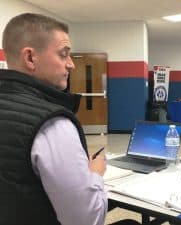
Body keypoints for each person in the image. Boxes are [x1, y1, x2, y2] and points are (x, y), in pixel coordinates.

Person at [0, 13, 140, 225]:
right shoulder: (52, 124)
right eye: (63, 54)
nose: (71, 65)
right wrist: (95, 173)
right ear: (30, 57)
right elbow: (86, 220)